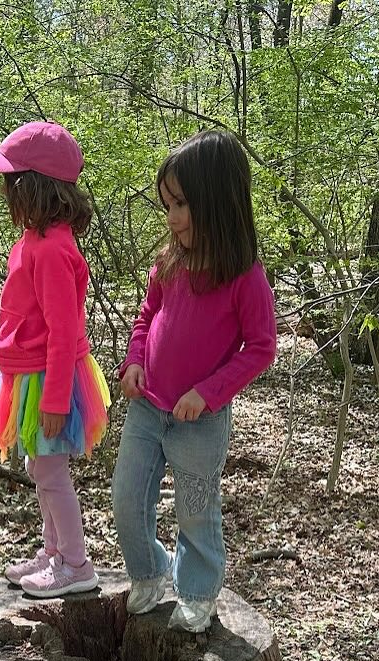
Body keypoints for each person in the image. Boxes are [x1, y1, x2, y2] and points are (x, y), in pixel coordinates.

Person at [112, 129, 277, 632]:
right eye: (167, 204)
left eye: (182, 203)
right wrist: (134, 361)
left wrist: (207, 394)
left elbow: (262, 349)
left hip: (198, 420)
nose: (173, 216)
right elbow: (147, 318)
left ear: (218, 201)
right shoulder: (168, 262)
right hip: (147, 405)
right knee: (126, 494)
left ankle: (199, 590)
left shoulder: (244, 276)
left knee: (195, 509)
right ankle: (148, 572)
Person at [0, 121, 111, 598]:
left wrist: (55, 401)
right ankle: (53, 551)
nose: (5, 191)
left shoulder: (53, 249)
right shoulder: (37, 239)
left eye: (10, 182)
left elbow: (63, 331)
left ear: (32, 186)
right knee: (41, 468)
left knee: (51, 471)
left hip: (48, 379)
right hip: (27, 375)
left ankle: (76, 563)